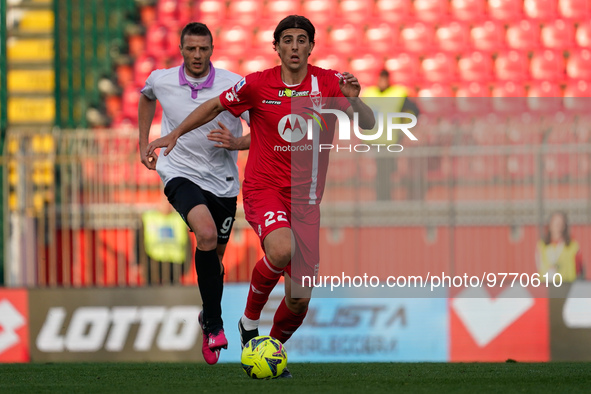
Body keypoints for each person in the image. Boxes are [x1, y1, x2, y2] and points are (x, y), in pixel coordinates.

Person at [145, 15, 375, 378]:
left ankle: (269, 352)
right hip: (263, 189)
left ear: (311, 47)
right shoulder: (257, 85)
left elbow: (369, 125)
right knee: (282, 250)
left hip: (307, 201)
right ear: (277, 47)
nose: (295, 46)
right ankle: (248, 325)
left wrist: (356, 101)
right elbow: (214, 107)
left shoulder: (328, 83)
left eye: (302, 40)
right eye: (288, 40)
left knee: (299, 299)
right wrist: (175, 134)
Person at [138, 22, 250, 365]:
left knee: (215, 260)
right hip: (178, 171)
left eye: (203, 49)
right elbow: (146, 97)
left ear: (212, 49)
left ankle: (206, 316)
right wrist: (142, 143)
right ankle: (215, 326)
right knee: (205, 232)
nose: (197, 55)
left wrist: (236, 143)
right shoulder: (162, 79)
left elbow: (264, 131)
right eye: (191, 49)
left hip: (223, 182)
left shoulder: (234, 84)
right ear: (182, 50)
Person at [361, 69, 420, 201]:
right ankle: (382, 198)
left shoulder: (398, 94)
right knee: (381, 172)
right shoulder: (369, 93)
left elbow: (415, 110)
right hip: (374, 140)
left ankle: (385, 198)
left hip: (391, 141)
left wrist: (405, 125)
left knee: (386, 171)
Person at [536, 211, 584, 282]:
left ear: (564, 225)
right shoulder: (542, 246)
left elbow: (579, 269)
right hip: (547, 286)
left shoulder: (572, 246)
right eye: (555, 222)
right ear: (550, 225)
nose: (558, 225)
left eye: (560, 222)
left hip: (568, 286)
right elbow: (539, 266)